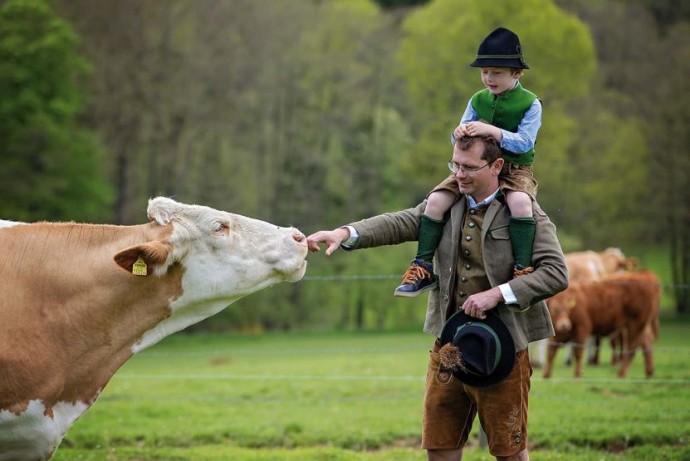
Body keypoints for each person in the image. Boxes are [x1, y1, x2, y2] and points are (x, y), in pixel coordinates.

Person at [307, 135, 568, 460]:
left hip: (505, 351)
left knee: (509, 452)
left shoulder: (524, 214)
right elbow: (399, 222)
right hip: (448, 346)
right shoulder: (446, 204)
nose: (459, 174)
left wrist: (497, 294)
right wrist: (345, 234)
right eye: (455, 164)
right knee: (440, 446)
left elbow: (556, 273)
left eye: (469, 167)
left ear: (497, 166)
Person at [394, 27, 542, 297]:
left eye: (496, 72)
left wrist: (493, 132)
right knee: (436, 201)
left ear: (516, 73)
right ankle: (423, 266)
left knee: (520, 203)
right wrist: (459, 132)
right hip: (474, 168)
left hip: (514, 169)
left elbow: (525, 143)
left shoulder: (531, 104)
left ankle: (523, 270)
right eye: (484, 72)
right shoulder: (477, 99)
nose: (488, 78)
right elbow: (458, 134)